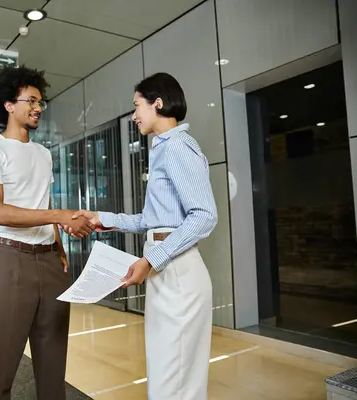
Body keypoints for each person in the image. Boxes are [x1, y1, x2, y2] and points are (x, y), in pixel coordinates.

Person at [72, 72, 218, 400]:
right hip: (166, 271)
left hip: (179, 275)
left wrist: (151, 259)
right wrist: (101, 219)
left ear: (159, 103)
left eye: (137, 105)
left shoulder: (179, 146)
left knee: (176, 382)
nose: (135, 115)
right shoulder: (163, 149)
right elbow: (150, 220)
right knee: (166, 376)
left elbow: (205, 216)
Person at [0, 65, 95, 400]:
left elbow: (43, 202)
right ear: (8, 104)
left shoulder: (44, 154)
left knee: (53, 364)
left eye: (41, 102)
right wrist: (59, 216)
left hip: (50, 263)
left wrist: (59, 248)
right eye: (30, 100)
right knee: (3, 365)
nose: (38, 107)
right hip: (9, 260)